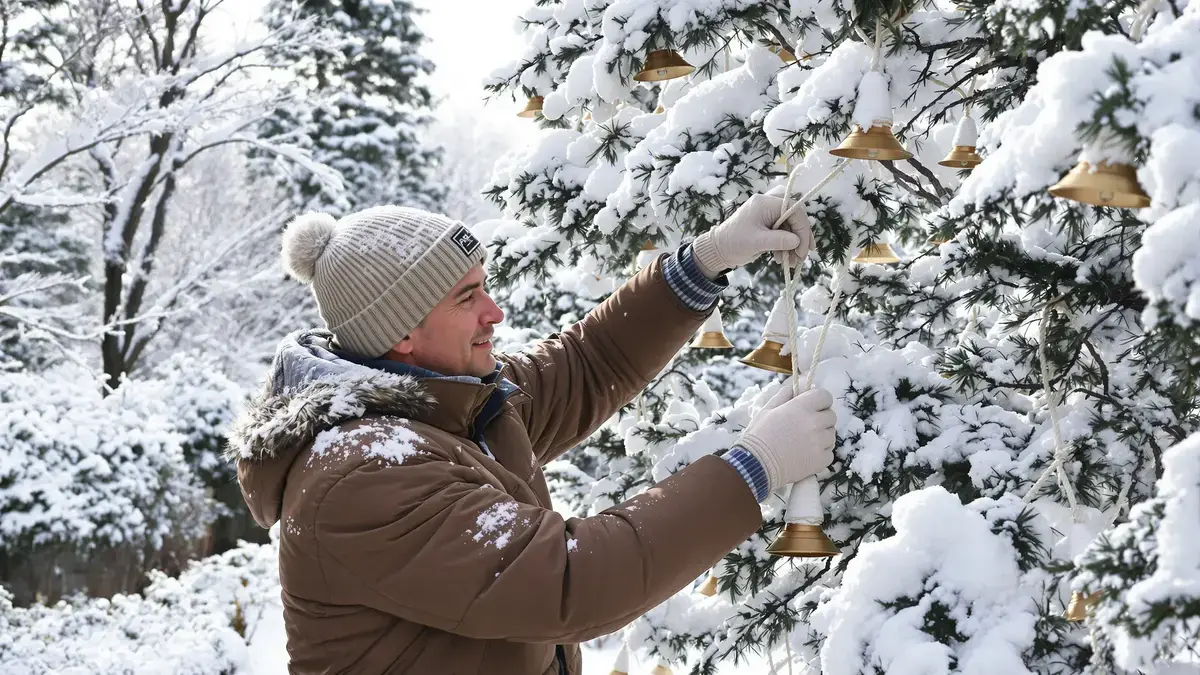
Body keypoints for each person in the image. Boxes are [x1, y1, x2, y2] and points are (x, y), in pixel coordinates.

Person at [228, 197, 838, 675]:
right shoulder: (363, 475)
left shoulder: (453, 403)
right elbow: (572, 580)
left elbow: (585, 366)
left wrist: (703, 261)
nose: (494, 312)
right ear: (402, 333)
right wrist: (753, 467)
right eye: (467, 297)